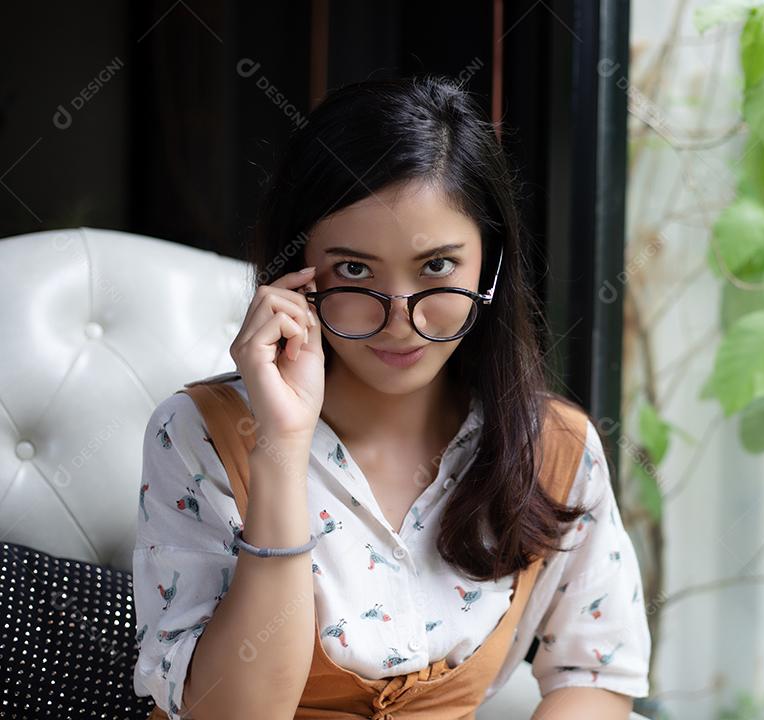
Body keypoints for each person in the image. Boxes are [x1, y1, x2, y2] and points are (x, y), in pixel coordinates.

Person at [131, 75, 650, 719]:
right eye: (354, 270)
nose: (400, 317)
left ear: (488, 264)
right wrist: (282, 451)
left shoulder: (556, 449)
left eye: (436, 267)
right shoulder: (196, 434)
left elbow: (595, 670)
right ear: (294, 275)